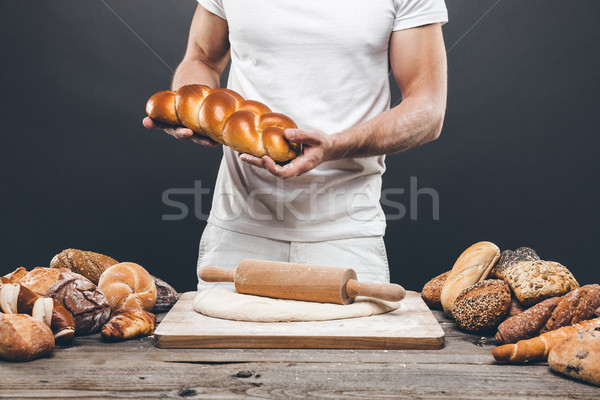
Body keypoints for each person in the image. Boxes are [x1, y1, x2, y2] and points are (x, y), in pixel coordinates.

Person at [143, 0, 448, 290]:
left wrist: (336, 146)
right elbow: (201, 58)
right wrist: (191, 113)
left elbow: (428, 109)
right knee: (227, 345)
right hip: (237, 229)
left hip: (347, 236)